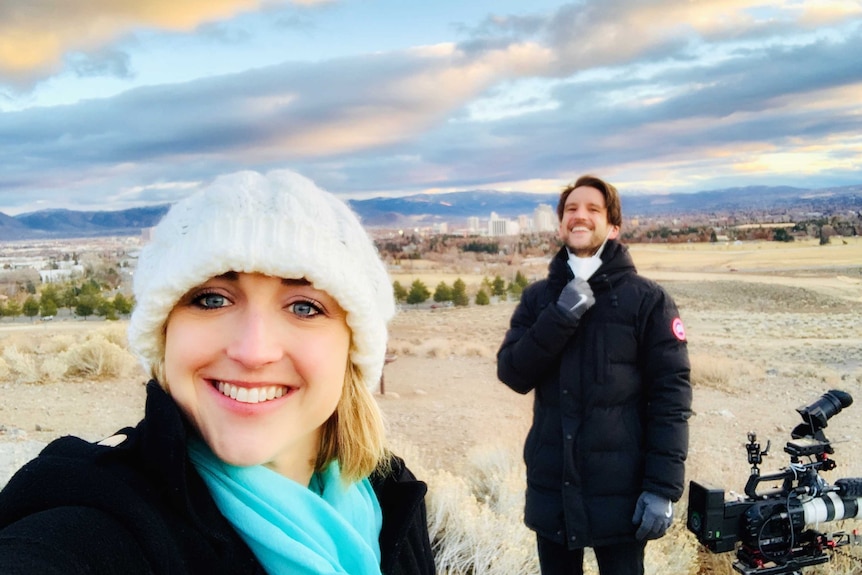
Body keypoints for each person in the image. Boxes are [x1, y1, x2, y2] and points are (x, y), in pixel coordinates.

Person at [0, 170, 436, 575]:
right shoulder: (96, 521)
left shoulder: (389, 499)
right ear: (164, 333)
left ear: (353, 349)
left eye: (305, 307)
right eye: (211, 300)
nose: (252, 351)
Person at [496, 174, 691, 575]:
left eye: (593, 209)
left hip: (623, 494)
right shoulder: (539, 298)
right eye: (571, 209)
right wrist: (561, 314)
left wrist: (662, 489)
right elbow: (513, 372)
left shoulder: (648, 300)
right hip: (553, 488)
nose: (579, 215)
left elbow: (671, 399)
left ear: (613, 226)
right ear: (561, 223)